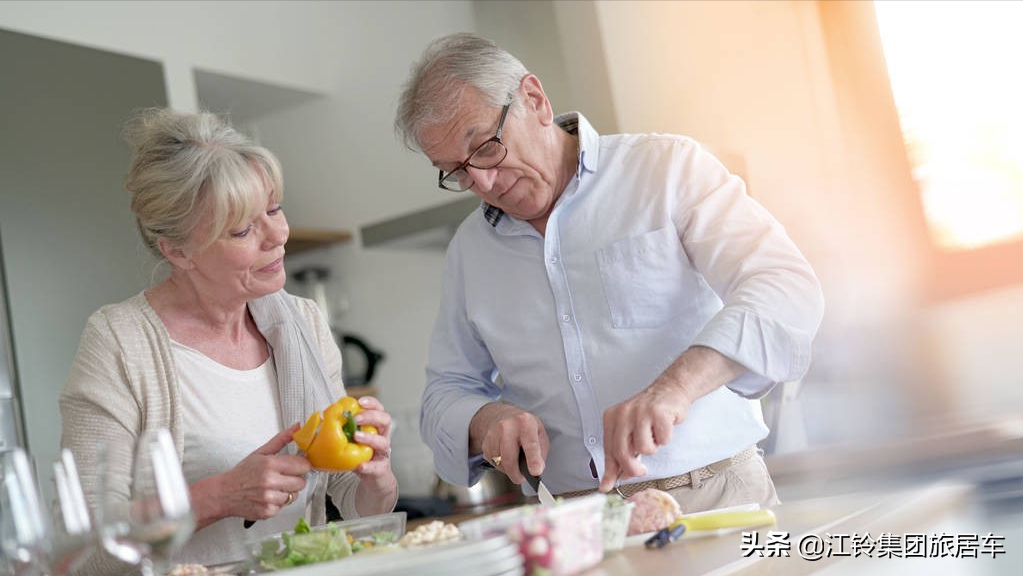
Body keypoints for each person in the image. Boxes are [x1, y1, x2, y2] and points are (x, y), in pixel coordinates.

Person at [395, 33, 825, 513]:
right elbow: (443, 394)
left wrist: (674, 388)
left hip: (718, 497)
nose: (483, 183)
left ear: (533, 100)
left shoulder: (666, 169)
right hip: (575, 524)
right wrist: (484, 418)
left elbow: (785, 287)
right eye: (455, 171)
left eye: (486, 148)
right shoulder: (469, 252)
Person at [59, 108, 397, 573]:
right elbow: (85, 545)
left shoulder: (302, 322)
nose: (279, 235)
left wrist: (375, 472)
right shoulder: (119, 342)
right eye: (242, 230)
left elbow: (361, 508)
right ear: (177, 251)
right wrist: (218, 496)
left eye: (274, 210)